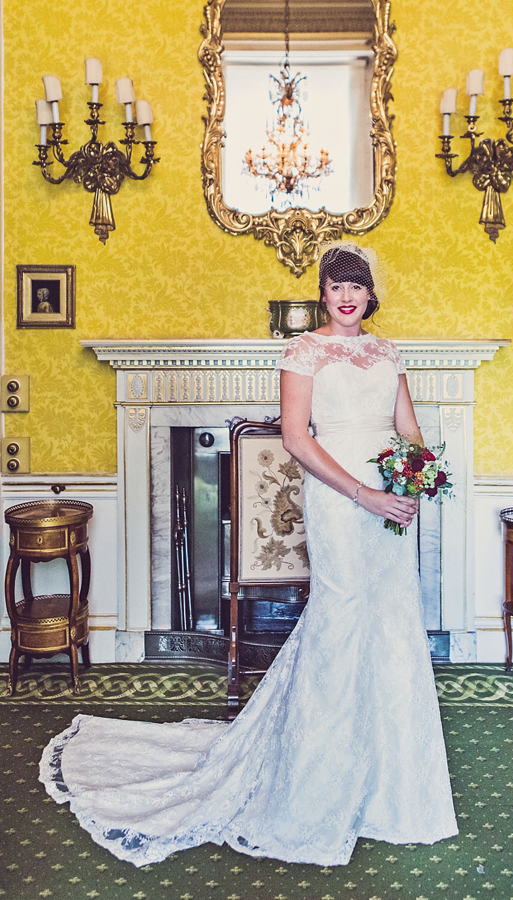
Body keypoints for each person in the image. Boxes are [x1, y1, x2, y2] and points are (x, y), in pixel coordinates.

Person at [39, 244, 457, 868]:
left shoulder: (387, 352)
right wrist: (364, 492)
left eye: (357, 286)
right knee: (341, 620)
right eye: (335, 286)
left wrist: (416, 478)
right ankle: (318, 783)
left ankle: (394, 785)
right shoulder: (305, 350)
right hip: (342, 497)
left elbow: (409, 430)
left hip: (393, 500)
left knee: (393, 619)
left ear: (371, 294)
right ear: (322, 294)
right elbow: (294, 437)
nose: (346, 296)